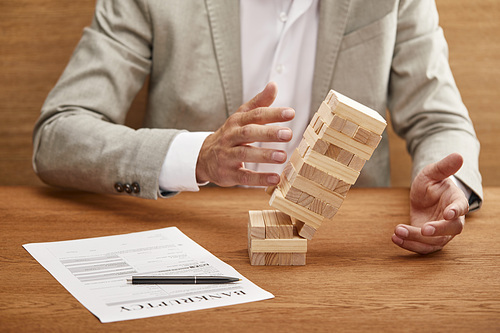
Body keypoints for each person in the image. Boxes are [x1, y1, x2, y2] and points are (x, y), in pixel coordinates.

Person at [33, 0, 482, 255]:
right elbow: (60, 134)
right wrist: (199, 156)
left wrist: (450, 186)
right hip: (187, 244)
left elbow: (440, 119)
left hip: (343, 255)